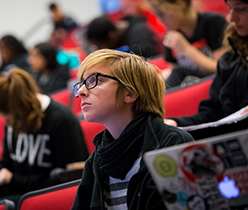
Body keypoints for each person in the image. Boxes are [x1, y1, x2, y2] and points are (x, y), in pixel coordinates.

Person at [71, 49, 194, 209]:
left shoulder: (173, 145)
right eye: (81, 84)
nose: (81, 91)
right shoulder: (97, 158)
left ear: (130, 92)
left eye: (95, 80)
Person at [0, 68, 88, 204]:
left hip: (50, 196)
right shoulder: (15, 119)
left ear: (20, 108)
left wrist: (13, 179)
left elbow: (67, 179)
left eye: (8, 117)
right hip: (24, 193)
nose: (6, 123)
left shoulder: (60, 120)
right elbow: (7, 162)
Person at [164, 0, 248, 135]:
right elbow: (213, 113)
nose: (231, 18)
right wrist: (176, 123)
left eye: (241, 9)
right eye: (230, 9)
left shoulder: (211, 23)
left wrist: (185, 49)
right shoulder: (232, 58)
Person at [147, 0, 228, 88]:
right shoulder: (171, 33)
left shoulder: (213, 23)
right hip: (191, 86)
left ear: (180, 3)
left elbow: (221, 68)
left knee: (179, 72)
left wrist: (186, 49)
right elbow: (173, 70)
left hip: (217, 85)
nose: (159, 21)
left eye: (162, 14)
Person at [86, 15, 159, 58]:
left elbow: (143, 58)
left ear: (111, 36)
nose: (100, 50)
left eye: (100, 46)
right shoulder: (123, 33)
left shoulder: (139, 33)